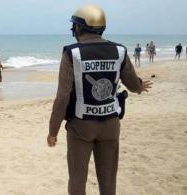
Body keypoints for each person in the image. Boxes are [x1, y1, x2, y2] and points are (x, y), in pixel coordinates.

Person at [47, 5, 153, 195]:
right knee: (108, 178)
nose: (73, 29)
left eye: (75, 25)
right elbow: (131, 82)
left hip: (81, 127)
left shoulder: (72, 53)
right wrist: (139, 87)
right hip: (111, 124)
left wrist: (52, 131)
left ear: (80, 27)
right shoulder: (119, 51)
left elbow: (63, 96)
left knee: (78, 180)